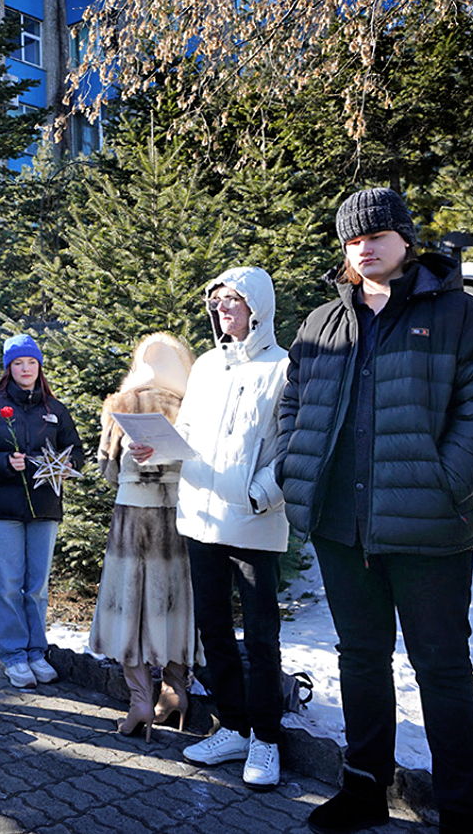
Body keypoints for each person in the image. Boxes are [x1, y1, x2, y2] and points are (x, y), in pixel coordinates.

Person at [277, 188, 473, 834]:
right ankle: (363, 790)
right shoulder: (321, 325)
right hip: (340, 526)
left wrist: (444, 482)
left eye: (378, 233)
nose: (365, 245)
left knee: (440, 667)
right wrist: (289, 468)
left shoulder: (461, 316)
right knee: (359, 657)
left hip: (429, 530)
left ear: (406, 239)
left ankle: (460, 809)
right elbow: (291, 407)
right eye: (354, 238)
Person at [169, 268, 292, 790]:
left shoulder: (284, 367)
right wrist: (158, 447)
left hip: (253, 521)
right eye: (216, 301)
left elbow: (293, 445)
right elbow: (190, 433)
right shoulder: (205, 366)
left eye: (233, 300)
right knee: (214, 629)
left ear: (257, 307)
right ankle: (234, 726)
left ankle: (266, 738)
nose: (222, 309)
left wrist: (260, 494)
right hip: (200, 517)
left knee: (261, 637)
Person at [89, 333, 196, 738]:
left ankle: (139, 703)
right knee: (173, 608)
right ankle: (175, 694)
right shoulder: (193, 407)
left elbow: (107, 468)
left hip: (133, 520)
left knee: (129, 610)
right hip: (177, 520)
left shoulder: (120, 405)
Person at [0, 334, 84, 689]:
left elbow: (76, 450)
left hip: (45, 507)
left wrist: (67, 465)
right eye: (18, 363)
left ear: (39, 366)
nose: (25, 369)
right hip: (4, 507)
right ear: (9, 368)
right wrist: (5, 462)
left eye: (31, 363)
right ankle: (14, 654)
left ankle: (37, 651)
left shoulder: (55, 409)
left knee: (36, 585)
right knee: (7, 583)